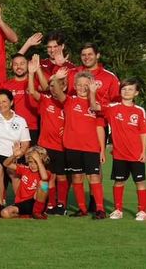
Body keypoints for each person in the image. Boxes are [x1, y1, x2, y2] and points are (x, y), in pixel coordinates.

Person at [28, 60, 71, 215]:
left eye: (58, 86)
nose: (54, 89)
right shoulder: (46, 100)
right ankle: (51, 203)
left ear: (65, 87)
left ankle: (62, 204)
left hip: (61, 146)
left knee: (61, 177)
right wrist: (32, 73)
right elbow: (32, 92)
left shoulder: (68, 103)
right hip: (45, 146)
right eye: (52, 86)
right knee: (48, 177)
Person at [61, 71, 106, 219]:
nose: (82, 88)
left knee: (94, 177)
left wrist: (102, 150)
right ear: (74, 86)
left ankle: (100, 209)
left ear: (92, 86)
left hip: (91, 148)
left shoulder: (97, 103)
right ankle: (82, 209)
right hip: (73, 147)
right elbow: (55, 90)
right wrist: (57, 77)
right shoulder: (69, 101)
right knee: (76, 177)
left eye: (86, 85)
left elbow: (100, 127)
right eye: (79, 85)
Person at [105, 78, 146, 221]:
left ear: (136, 93)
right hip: (119, 155)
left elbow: (143, 132)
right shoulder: (112, 108)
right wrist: (92, 92)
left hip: (136, 155)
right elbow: (96, 108)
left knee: (140, 183)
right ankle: (118, 210)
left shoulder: (139, 111)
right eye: (124, 89)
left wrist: (144, 152)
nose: (126, 91)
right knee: (118, 182)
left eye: (130, 89)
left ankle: (142, 211)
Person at [0, 146, 50, 219]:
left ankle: (37, 212)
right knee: (4, 213)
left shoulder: (45, 172)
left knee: (44, 184)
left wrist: (38, 161)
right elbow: (6, 164)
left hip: (35, 201)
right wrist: (14, 156)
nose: (32, 165)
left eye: (35, 162)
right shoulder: (25, 169)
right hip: (22, 203)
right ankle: (28, 216)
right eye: (30, 162)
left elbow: (45, 178)